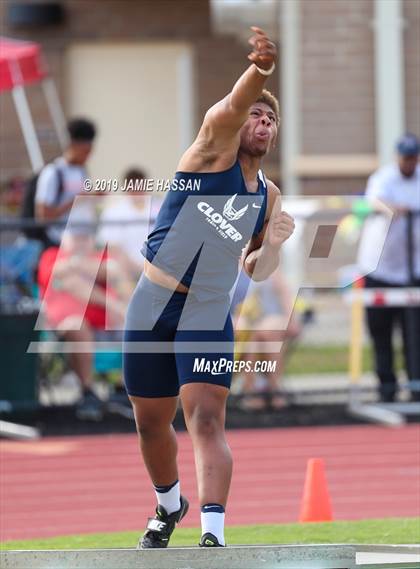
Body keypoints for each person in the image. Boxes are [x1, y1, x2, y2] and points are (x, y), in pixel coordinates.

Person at [123, 27, 295, 548]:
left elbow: (256, 271)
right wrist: (261, 70)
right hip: (153, 300)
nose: (261, 122)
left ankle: (213, 533)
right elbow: (232, 106)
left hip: (206, 309)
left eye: (270, 120)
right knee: (152, 422)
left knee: (204, 417)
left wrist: (277, 247)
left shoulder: (268, 196)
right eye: (255, 115)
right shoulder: (210, 150)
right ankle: (169, 503)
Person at [38, 229, 129, 420]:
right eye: (76, 237)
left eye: (84, 237)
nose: (81, 242)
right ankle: (88, 392)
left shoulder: (100, 256)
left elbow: (114, 271)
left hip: (105, 326)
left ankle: (123, 389)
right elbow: (62, 275)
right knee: (77, 324)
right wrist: (111, 304)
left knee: (136, 322)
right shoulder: (51, 255)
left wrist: (80, 264)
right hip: (64, 327)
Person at [358, 133, 420, 402]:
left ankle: (416, 389)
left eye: (413, 157)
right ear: (398, 157)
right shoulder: (383, 179)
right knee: (381, 333)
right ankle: (387, 390)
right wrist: (396, 209)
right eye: (405, 157)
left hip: (413, 270)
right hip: (380, 269)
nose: (409, 162)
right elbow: (375, 201)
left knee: (414, 336)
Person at [234, 268, 301, 411]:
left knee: (267, 330)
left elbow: (285, 296)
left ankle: (273, 387)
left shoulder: (271, 269)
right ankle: (251, 389)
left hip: (273, 320)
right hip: (246, 323)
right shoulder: (230, 269)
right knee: (249, 334)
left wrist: (292, 320)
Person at [35, 118, 96, 246]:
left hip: (81, 241)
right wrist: (76, 201)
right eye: (86, 151)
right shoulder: (53, 172)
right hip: (58, 242)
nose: (88, 156)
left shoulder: (82, 171)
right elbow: (42, 216)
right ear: (74, 145)